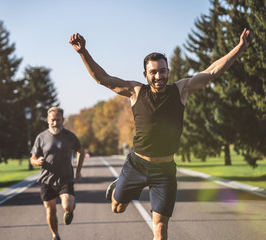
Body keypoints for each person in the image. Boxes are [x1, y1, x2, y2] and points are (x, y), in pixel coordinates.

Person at [69, 29, 254, 240]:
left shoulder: (181, 90)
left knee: (160, 226)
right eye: (153, 72)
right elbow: (103, 79)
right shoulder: (136, 91)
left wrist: (240, 47)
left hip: (165, 171)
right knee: (117, 208)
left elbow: (212, 72)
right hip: (136, 165)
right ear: (146, 74)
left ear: (168, 71)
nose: (159, 76)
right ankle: (118, 187)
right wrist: (83, 52)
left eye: (162, 71)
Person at [30, 107, 85, 240]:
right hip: (46, 180)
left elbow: (80, 151)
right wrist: (37, 161)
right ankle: (55, 235)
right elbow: (32, 158)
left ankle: (69, 211)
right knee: (51, 210)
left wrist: (78, 170)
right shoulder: (41, 137)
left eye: (58, 120)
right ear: (48, 120)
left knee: (68, 205)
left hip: (65, 178)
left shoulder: (69, 136)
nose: (55, 123)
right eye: (52, 120)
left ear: (63, 120)